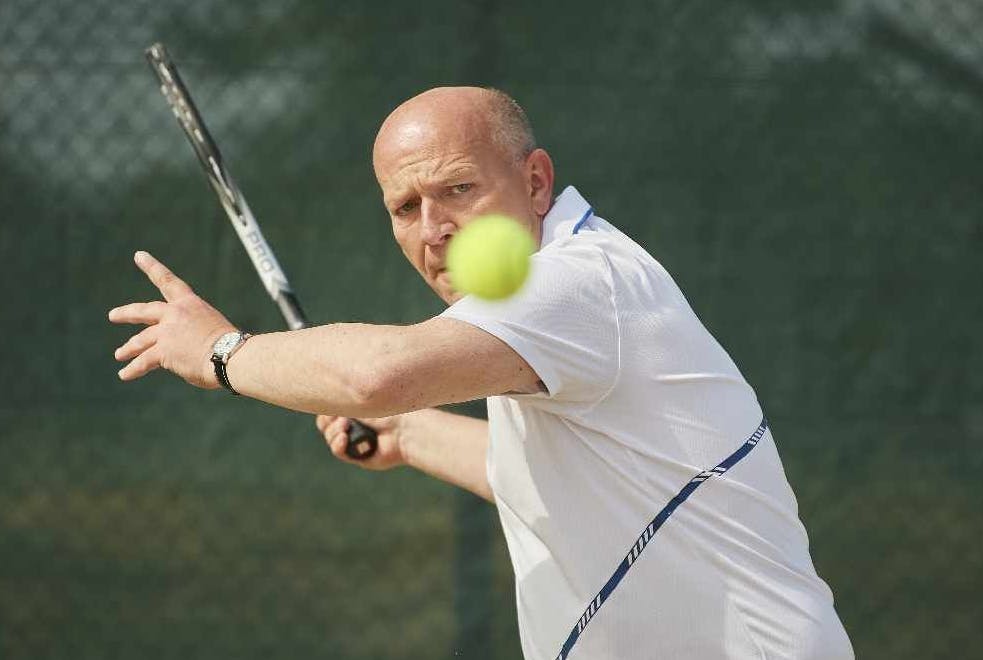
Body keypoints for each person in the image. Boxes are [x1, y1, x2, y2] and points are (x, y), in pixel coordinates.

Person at [109, 87, 854, 659]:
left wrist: (221, 351)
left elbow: (377, 375)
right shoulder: (560, 317)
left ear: (535, 183)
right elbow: (539, 474)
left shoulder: (575, 283)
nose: (434, 230)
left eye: (457, 189)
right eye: (406, 206)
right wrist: (407, 435)